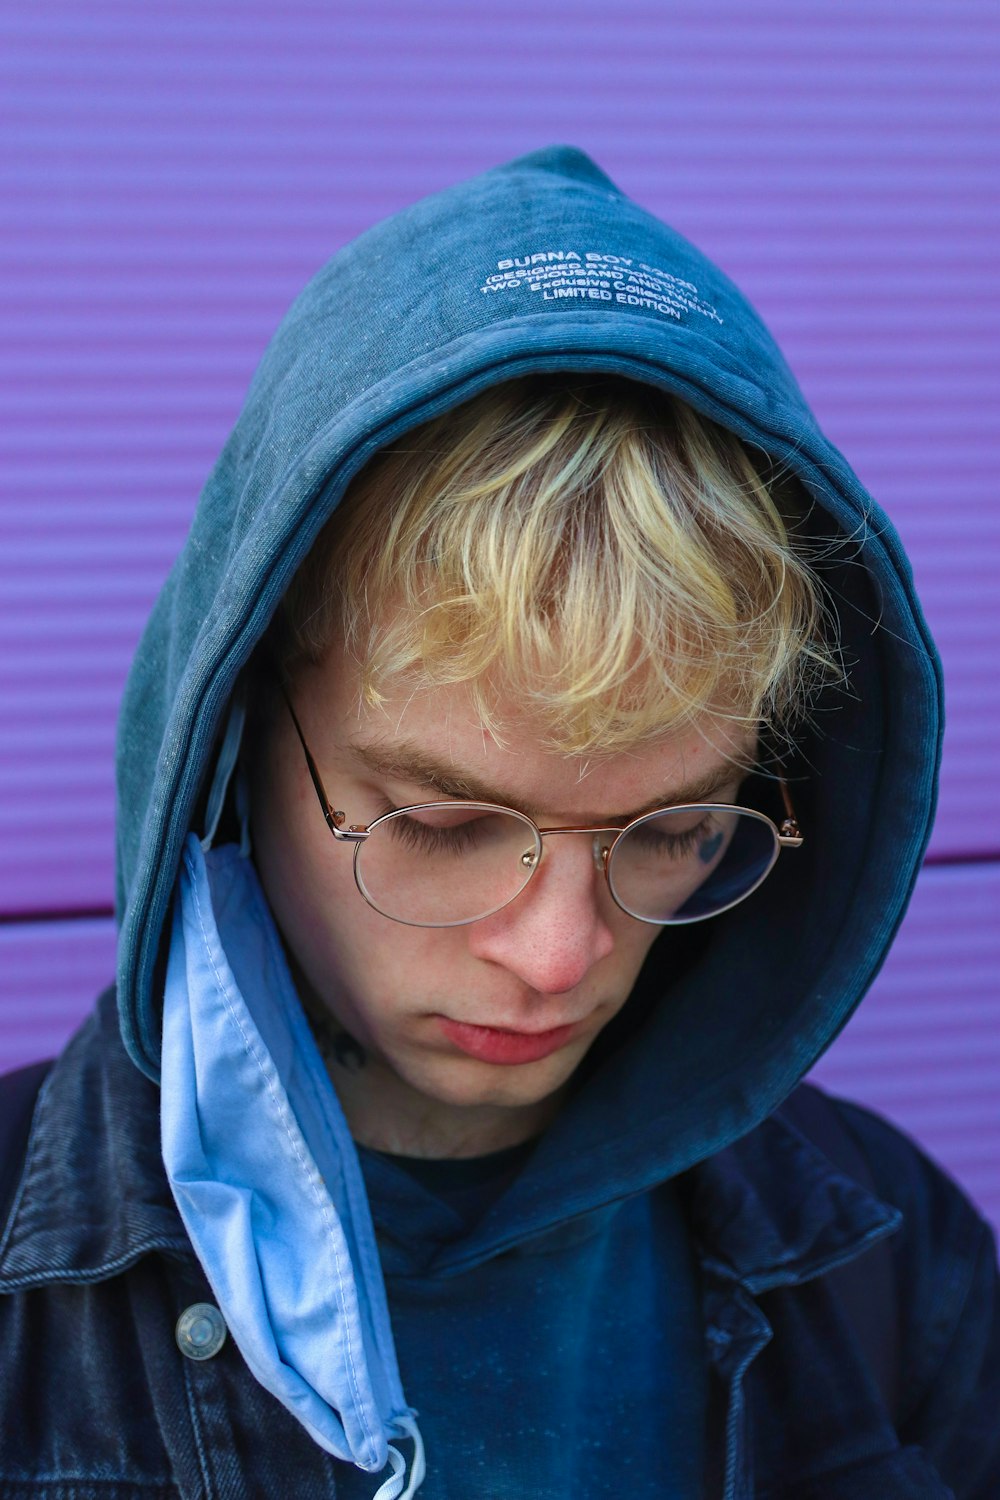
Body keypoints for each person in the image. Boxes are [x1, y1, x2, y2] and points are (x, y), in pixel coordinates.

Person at [0, 146, 996, 1498]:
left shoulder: (897, 1266)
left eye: (668, 831)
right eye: (445, 822)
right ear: (237, 731)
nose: (556, 955)